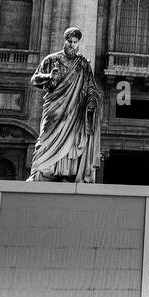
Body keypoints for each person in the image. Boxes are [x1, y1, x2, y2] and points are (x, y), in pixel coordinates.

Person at [29, 27, 104, 182]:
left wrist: (91, 100)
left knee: (71, 140)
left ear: (78, 44)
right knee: (46, 136)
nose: (72, 45)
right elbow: (34, 79)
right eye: (69, 41)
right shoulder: (52, 59)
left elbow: (92, 87)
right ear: (65, 41)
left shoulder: (82, 64)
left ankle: (65, 173)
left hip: (74, 109)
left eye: (75, 42)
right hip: (54, 108)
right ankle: (41, 171)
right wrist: (49, 76)